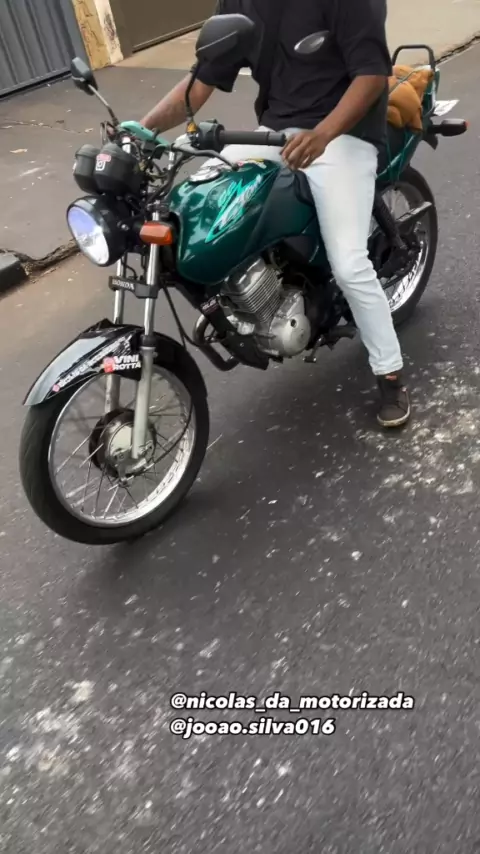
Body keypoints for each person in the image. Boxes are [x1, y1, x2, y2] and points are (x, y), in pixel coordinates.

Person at [141, 0, 411, 428]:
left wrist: (323, 135)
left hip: (344, 134)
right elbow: (201, 82)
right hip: (273, 133)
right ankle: (255, 296)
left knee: (349, 264)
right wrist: (141, 132)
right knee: (201, 206)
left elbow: (371, 78)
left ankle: (389, 371)